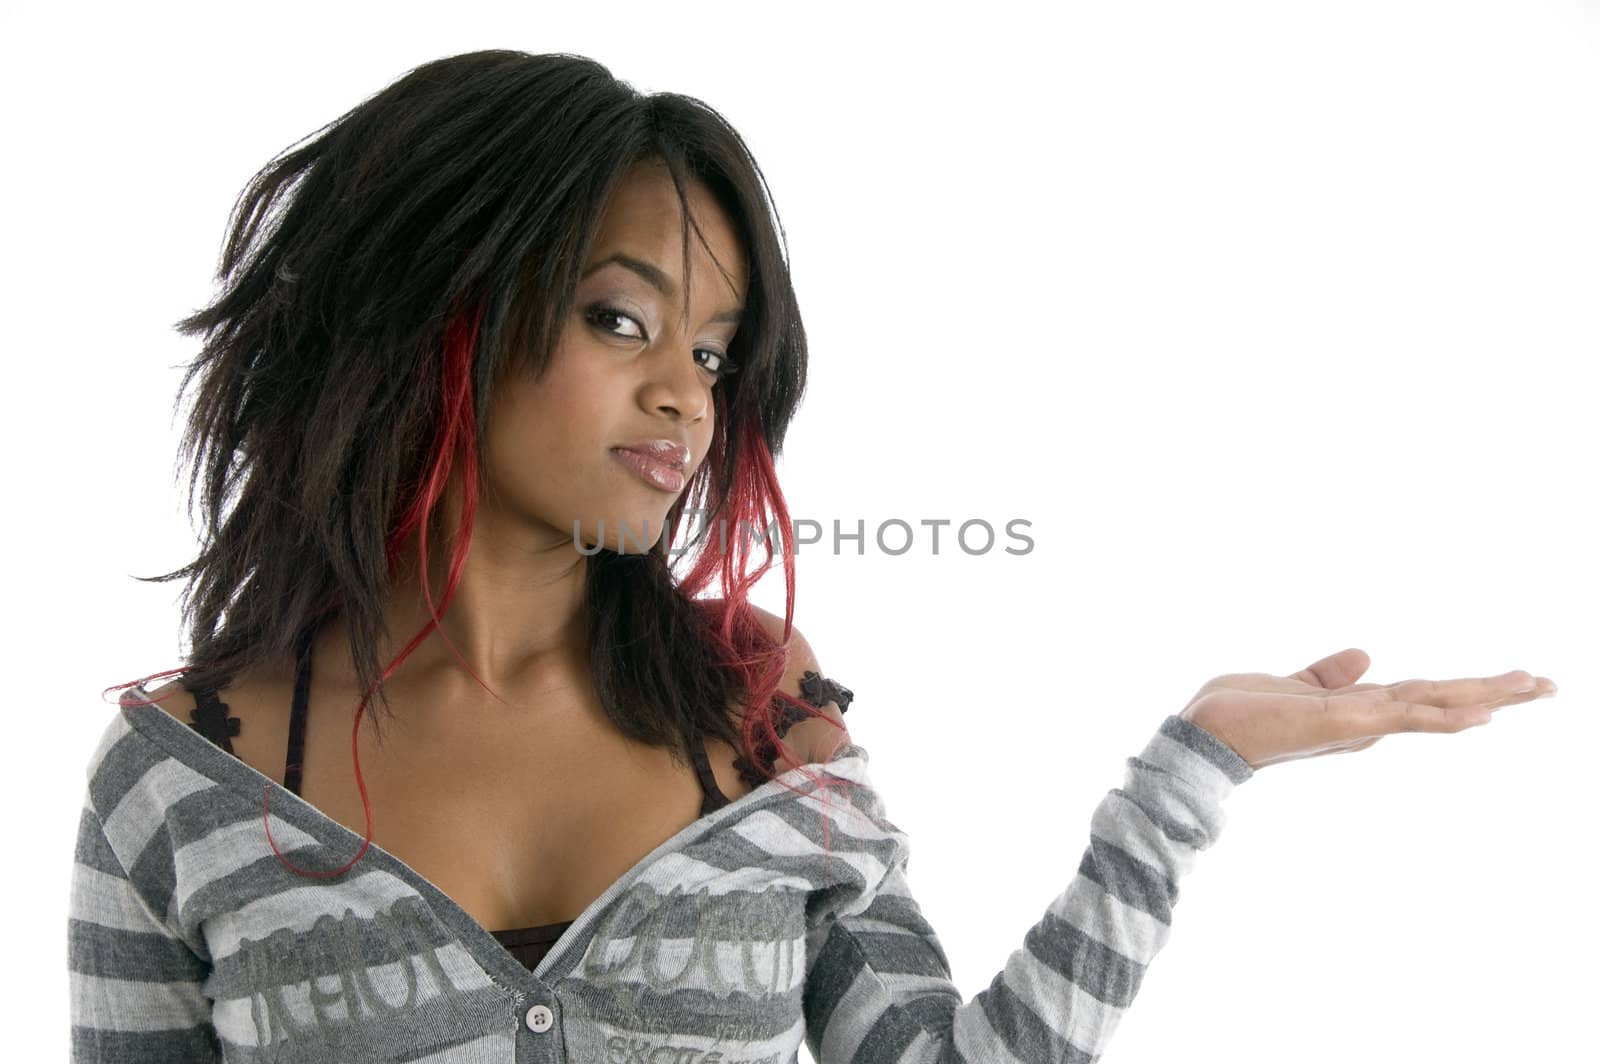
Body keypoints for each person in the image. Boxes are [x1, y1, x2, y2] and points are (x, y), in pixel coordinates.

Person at [68, 49, 1557, 1063]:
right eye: (619, 318)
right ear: (425, 308)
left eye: (715, 350)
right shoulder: (187, 777)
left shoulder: (756, 725)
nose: (684, 396)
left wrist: (1190, 776)